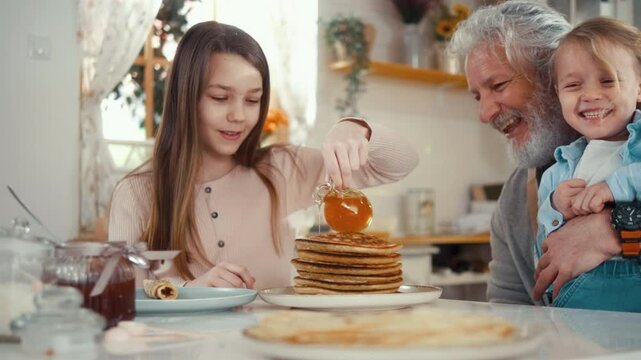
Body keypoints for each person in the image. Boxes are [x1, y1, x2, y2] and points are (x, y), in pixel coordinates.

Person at [108, 21, 419, 290]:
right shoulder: (137, 193)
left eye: (252, 100)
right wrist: (190, 291)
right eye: (220, 97)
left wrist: (355, 128)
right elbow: (124, 304)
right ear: (185, 97)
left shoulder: (281, 169)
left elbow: (402, 163)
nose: (238, 115)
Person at [449, 0, 624, 305]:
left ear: (553, 73)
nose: (485, 113)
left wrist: (618, 229)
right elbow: (510, 311)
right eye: (478, 96)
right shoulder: (517, 195)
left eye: (498, 85)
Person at [534, 17, 641, 311]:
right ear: (558, 95)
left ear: (639, 88)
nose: (591, 95)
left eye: (608, 80)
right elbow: (545, 251)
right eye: (572, 85)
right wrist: (555, 209)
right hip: (573, 312)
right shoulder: (556, 171)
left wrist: (615, 186)